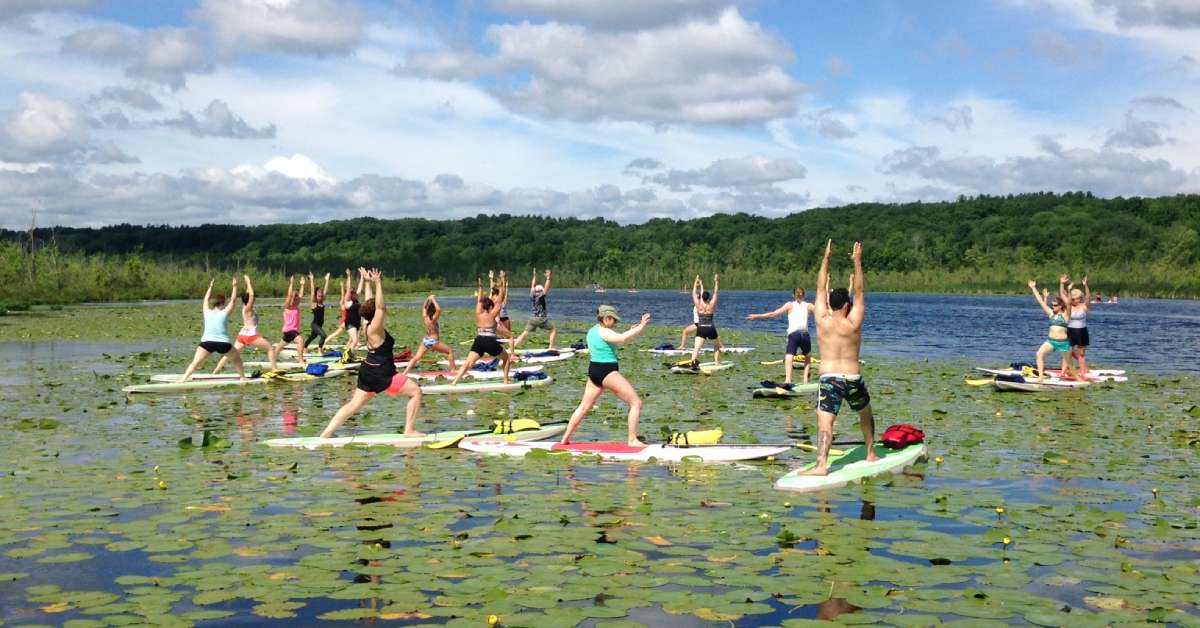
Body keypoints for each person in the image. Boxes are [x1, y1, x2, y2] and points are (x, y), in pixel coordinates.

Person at [319, 269, 423, 438]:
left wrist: (367, 282)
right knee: (416, 392)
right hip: (383, 373)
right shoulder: (375, 327)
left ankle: (327, 433)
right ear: (375, 313)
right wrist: (378, 282)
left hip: (368, 370)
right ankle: (409, 430)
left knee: (354, 404)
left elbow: (371, 303)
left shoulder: (366, 321)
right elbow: (380, 307)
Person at [802, 241, 876, 476]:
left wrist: (826, 258)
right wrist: (857, 261)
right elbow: (861, 291)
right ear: (847, 305)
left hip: (830, 378)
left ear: (830, 304)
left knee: (825, 423)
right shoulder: (853, 322)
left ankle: (822, 465)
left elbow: (820, 287)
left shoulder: (822, 320)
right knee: (865, 413)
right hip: (853, 377)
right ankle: (871, 454)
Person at [560, 305, 652, 446]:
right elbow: (621, 339)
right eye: (614, 320)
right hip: (607, 372)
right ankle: (632, 440)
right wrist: (641, 327)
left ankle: (565, 438)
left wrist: (634, 329)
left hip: (594, 371)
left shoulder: (592, 331)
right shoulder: (605, 332)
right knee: (636, 403)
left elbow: (615, 337)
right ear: (606, 318)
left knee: (584, 407)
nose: (615, 323)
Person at [450, 274, 513, 385]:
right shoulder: (492, 314)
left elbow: (479, 300)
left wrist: (480, 286)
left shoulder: (478, 313)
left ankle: (454, 382)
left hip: (478, 341)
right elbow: (500, 301)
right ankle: (506, 380)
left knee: (468, 363)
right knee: (506, 358)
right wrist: (502, 284)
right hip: (489, 342)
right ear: (489, 307)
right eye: (491, 306)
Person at [178, 277, 244, 383]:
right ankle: (242, 377)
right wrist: (234, 286)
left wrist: (210, 287)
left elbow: (205, 300)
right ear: (222, 303)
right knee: (236, 359)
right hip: (223, 344)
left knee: (195, 363)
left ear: (213, 303)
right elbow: (233, 300)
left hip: (207, 343)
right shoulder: (225, 312)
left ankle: (183, 379)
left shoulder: (206, 311)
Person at [746, 287, 815, 385]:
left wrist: (757, 316)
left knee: (789, 356)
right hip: (805, 335)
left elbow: (774, 314)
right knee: (807, 357)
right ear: (804, 295)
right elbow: (822, 314)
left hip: (794, 335)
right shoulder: (809, 305)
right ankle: (805, 380)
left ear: (793, 295)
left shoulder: (789, 305)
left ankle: (788, 380)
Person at [213, 274, 274, 373]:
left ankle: (215, 371)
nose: (254, 299)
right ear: (250, 299)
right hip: (251, 336)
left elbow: (249, 294)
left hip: (242, 336)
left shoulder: (245, 307)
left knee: (230, 354)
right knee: (270, 349)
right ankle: (274, 369)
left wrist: (247, 284)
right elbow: (252, 295)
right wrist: (248, 282)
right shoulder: (248, 308)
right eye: (252, 298)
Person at [1028, 277, 1075, 381]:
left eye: (1055, 305)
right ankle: (1041, 377)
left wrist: (1062, 285)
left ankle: (1079, 380)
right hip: (1051, 341)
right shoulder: (1050, 314)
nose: (1053, 306)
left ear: (1060, 306)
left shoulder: (1066, 315)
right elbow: (1040, 301)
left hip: (1063, 343)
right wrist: (1033, 288)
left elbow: (1068, 303)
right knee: (1039, 354)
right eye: (1052, 305)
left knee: (1070, 366)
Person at [401, 294, 456, 375]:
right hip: (434, 342)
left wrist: (428, 299)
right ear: (433, 309)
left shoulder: (425, 317)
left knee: (416, 357)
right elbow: (439, 310)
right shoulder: (433, 319)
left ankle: (405, 373)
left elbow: (424, 308)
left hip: (426, 340)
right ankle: (453, 370)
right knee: (449, 351)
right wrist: (433, 299)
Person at [513, 269, 557, 350]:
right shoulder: (540, 297)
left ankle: (512, 347)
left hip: (532, 319)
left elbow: (532, 285)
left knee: (524, 333)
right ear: (541, 291)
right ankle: (551, 347)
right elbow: (547, 288)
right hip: (541, 319)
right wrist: (548, 278)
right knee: (553, 329)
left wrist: (534, 275)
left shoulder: (532, 295)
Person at [687, 274, 723, 367]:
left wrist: (696, 281)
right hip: (710, 328)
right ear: (709, 298)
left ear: (702, 297)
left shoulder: (698, 306)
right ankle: (717, 363)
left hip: (701, 328)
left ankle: (692, 362)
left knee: (696, 348)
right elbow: (716, 292)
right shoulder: (711, 305)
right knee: (716, 346)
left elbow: (693, 293)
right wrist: (716, 281)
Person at [272, 275, 306, 366]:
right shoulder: (287, 306)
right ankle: (300, 360)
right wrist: (291, 283)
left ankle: (272, 359)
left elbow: (301, 295)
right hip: (289, 330)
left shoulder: (296, 305)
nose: (296, 298)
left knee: (280, 346)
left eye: (296, 297)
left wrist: (302, 285)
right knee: (300, 340)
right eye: (294, 297)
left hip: (291, 331)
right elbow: (289, 294)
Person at [1067, 275, 1091, 380]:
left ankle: (1082, 372)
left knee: (1081, 353)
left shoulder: (1084, 306)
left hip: (1082, 331)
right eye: (1073, 298)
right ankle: (1071, 369)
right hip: (1071, 330)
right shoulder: (1069, 306)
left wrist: (1085, 285)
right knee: (1068, 351)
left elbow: (1088, 297)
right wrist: (1066, 287)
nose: (1076, 300)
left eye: (1078, 298)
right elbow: (1065, 296)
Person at [304, 272, 332, 352]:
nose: (321, 297)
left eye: (321, 296)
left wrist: (327, 280)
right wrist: (312, 279)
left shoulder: (322, 302)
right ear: (316, 296)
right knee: (323, 335)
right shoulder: (314, 303)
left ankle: (304, 348)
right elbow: (312, 291)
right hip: (315, 325)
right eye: (319, 296)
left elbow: (325, 291)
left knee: (312, 337)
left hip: (320, 325)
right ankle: (319, 351)